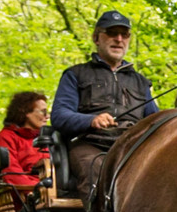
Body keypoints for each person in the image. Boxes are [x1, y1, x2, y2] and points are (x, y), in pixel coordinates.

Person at [52, 10, 158, 200]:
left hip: (132, 145)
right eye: (111, 33)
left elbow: (155, 120)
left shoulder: (140, 82)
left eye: (124, 35)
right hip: (90, 144)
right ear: (96, 38)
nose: (118, 39)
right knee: (97, 169)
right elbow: (59, 115)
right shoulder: (76, 74)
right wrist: (91, 120)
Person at [0, 91, 50, 187]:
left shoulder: (46, 139)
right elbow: (11, 174)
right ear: (25, 112)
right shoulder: (5, 138)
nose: (47, 116)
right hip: (24, 195)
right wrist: (38, 191)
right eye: (43, 112)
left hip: (53, 191)